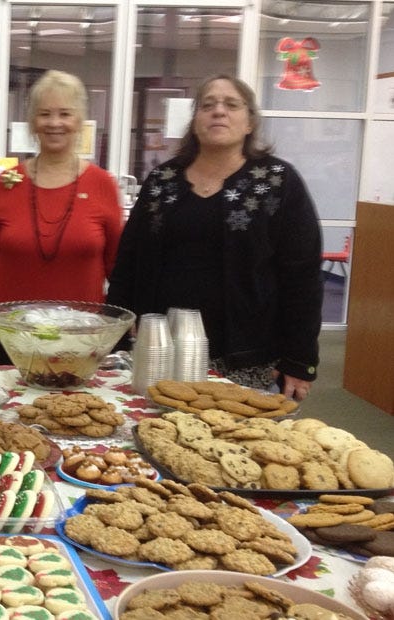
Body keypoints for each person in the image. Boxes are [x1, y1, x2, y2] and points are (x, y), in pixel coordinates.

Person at [105, 74, 323, 400]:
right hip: (163, 351)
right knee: (157, 436)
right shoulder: (163, 181)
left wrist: (299, 359)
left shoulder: (278, 182)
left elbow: (303, 275)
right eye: (208, 106)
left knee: (237, 445)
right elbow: (128, 264)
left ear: (249, 122)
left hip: (250, 355)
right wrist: (117, 339)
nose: (218, 112)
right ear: (195, 122)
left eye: (231, 105)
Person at [0, 70, 123, 364]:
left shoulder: (103, 185)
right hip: (12, 331)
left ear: (79, 122)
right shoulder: (7, 183)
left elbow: (117, 262)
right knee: (17, 407)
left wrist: (125, 320)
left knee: (74, 407)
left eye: (65, 113)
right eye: (45, 114)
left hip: (81, 333)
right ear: (33, 123)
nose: (55, 123)